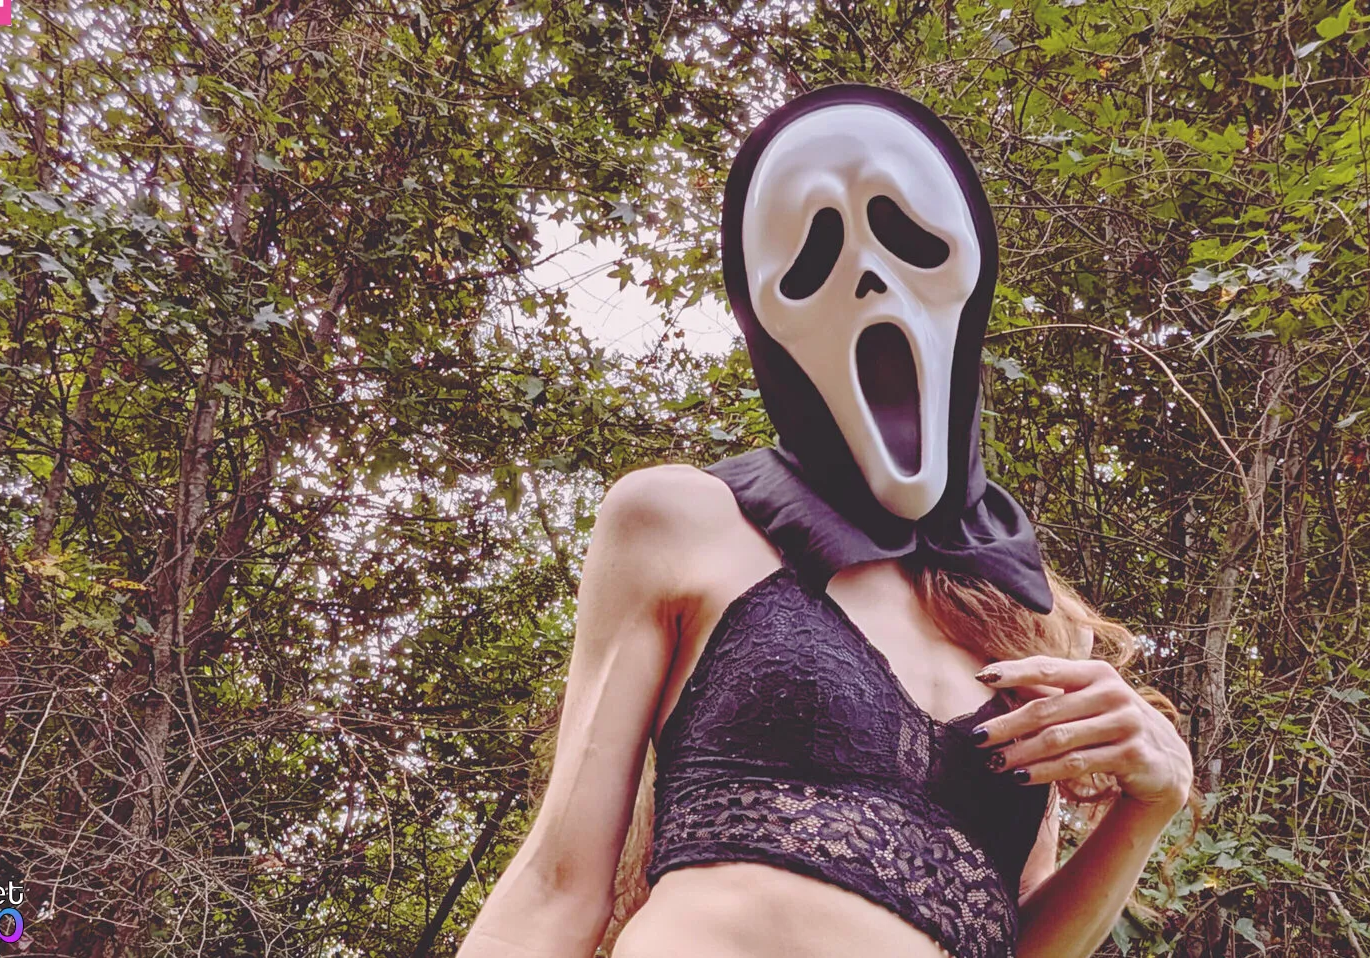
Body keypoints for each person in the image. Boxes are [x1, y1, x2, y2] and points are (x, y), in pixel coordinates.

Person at [459, 85, 1192, 958]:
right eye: (811, 255)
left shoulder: (1027, 621)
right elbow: (557, 885)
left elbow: (1011, 934)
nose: (870, 276)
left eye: (908, 236)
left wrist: (1150, 807)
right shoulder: (683, 520)